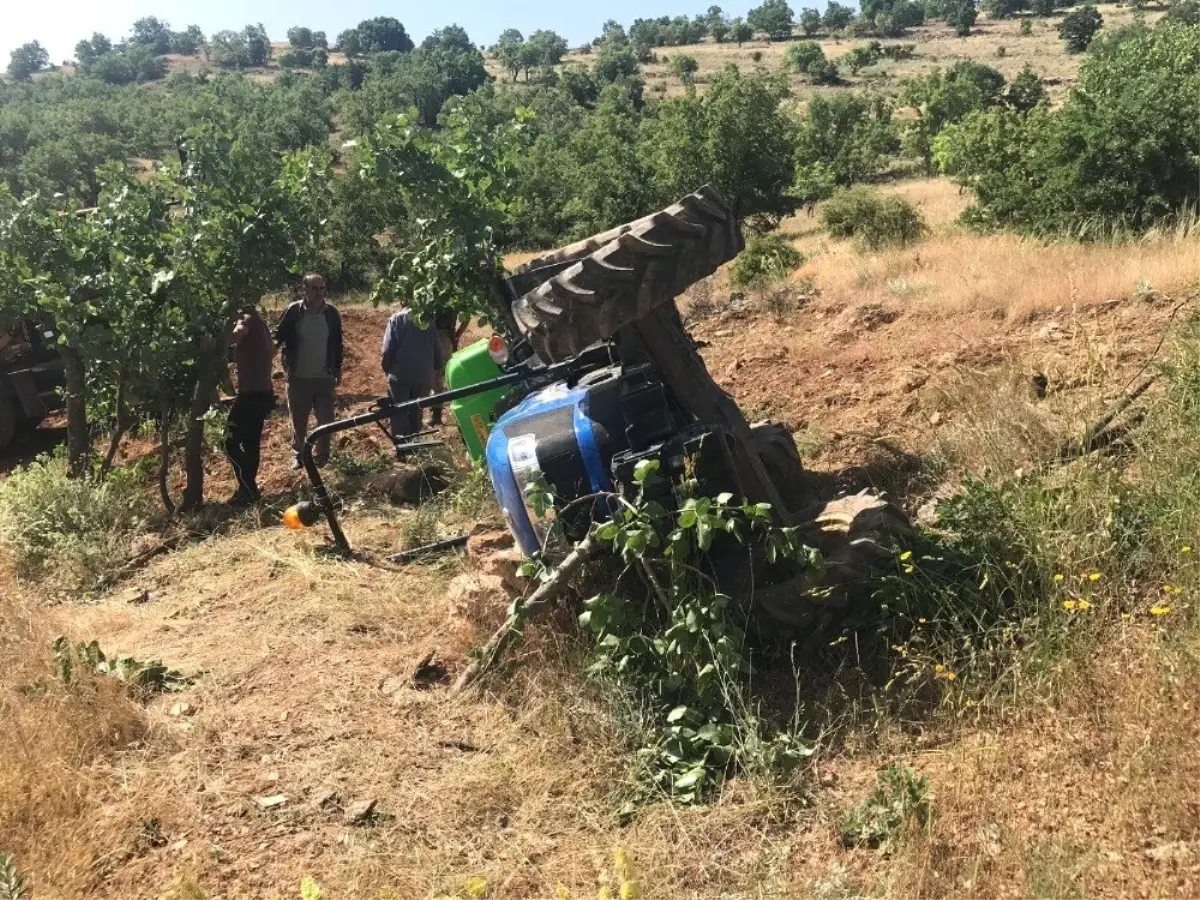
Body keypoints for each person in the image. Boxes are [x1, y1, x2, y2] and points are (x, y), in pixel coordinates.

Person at [274, 274, 343, 469]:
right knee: (299, 421)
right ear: (304, 290)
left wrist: (337, 368)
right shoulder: (294, 311)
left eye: (322, 288)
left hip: (324, 377)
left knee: (326, 419)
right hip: (298, 378)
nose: (320, 292)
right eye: (315, 288)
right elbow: (278, 335)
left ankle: (323, 456)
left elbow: (337, 343)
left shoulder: (331, 313)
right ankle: (298, 455)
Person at [224, 305, 276, 505]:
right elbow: (272, 351)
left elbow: (236, 334)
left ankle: (248, 488)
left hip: (251, 395)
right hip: (263, 392)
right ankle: (248, 490)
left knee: (228, 442)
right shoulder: (261, 322)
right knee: (250, 443)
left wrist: (217, 341)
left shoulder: (246, 320)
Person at [380, 306, 444, 447]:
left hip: (400, 376)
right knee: (416, 411)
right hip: (423, 376)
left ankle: (402, 448)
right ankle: (415, 447)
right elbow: (438, 356)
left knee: (399, 413)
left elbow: (387, 350)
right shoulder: (428, 322)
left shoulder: (396, 319)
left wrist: (387, 371)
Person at [430, 307, 464, 426]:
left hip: (442, 337)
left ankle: (436, 416)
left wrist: (456, 334)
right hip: (441, 336)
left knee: (437, 376)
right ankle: (436, 411)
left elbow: (467, 316)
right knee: (436, 376)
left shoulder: (445, 297)